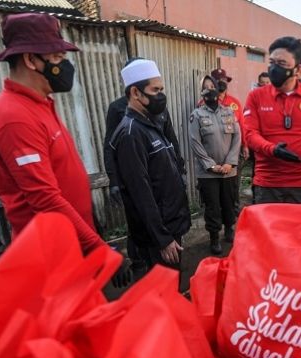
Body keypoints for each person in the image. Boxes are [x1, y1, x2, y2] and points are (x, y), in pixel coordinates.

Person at [0, 13, 131, 287]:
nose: (64, 65)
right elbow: (45, 199)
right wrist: (98, 248)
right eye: (57, 57)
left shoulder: (40, 104)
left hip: (71, 245)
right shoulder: (14, 117)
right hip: (51, 255)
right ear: (31, 59)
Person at [103, 57, 186, 277]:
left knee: (171, 289)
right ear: (135, 93)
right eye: (155, 90)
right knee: (163, 294)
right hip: (159, 235)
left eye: (162, 89)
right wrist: (163, 239)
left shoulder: (149, 122)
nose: (161, 95)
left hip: (169, 223)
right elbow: (141, 193)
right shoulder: (131, 133)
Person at [244, 36, 301, 212]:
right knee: (268, 238)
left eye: (282, 63)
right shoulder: (256, 97)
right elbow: (250, 135)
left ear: (298, 69)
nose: (274, 68)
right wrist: (272, 149)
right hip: (267, 184)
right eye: (271, 62)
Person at [189, 76, 241, 255]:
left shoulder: (229, 112)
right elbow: (195, 142)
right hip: (208, 173)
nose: (210, 89)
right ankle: (213, 238)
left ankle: (229, 229)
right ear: (202, 92)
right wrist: (210, 166)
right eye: (206, 87)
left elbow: (237, 137)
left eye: (213, 86)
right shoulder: (196, 115)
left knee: (229, 202)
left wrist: (230, 162)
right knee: (212, 206)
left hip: (228, 170)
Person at [210, 68, 248, 215]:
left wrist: (245, 145)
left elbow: (242, 125)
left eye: (224, 80)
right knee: (217, 183)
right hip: (214, 151)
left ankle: (233, 209)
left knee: (233, 183)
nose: (222, 83)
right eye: (218, 80)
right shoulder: (203, 103)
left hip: (234, 151)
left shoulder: (235, 103)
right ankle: (219, 210)